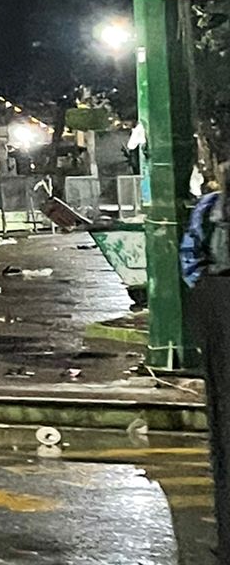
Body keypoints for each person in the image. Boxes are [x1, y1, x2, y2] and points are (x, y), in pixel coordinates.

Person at [180, 173, 230, 556]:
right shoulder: (210, 207)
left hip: (218, 304)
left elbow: (190, 257)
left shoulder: (211, 206)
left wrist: (205, 291)